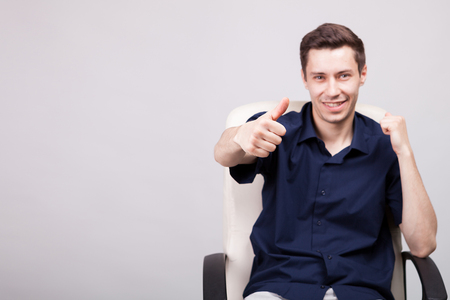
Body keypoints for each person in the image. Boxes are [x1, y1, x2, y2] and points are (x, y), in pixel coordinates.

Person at [214, 23, 437, 300]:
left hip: (358, 292)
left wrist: (406, 153)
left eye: (343, 75)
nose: (332, 91)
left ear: (362, 74)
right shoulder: (276, 131)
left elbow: (423, 245)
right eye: (319, 77)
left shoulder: (386, 145)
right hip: (279, 287)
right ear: (305, 79)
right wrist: (239, 136)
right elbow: (223, 154)